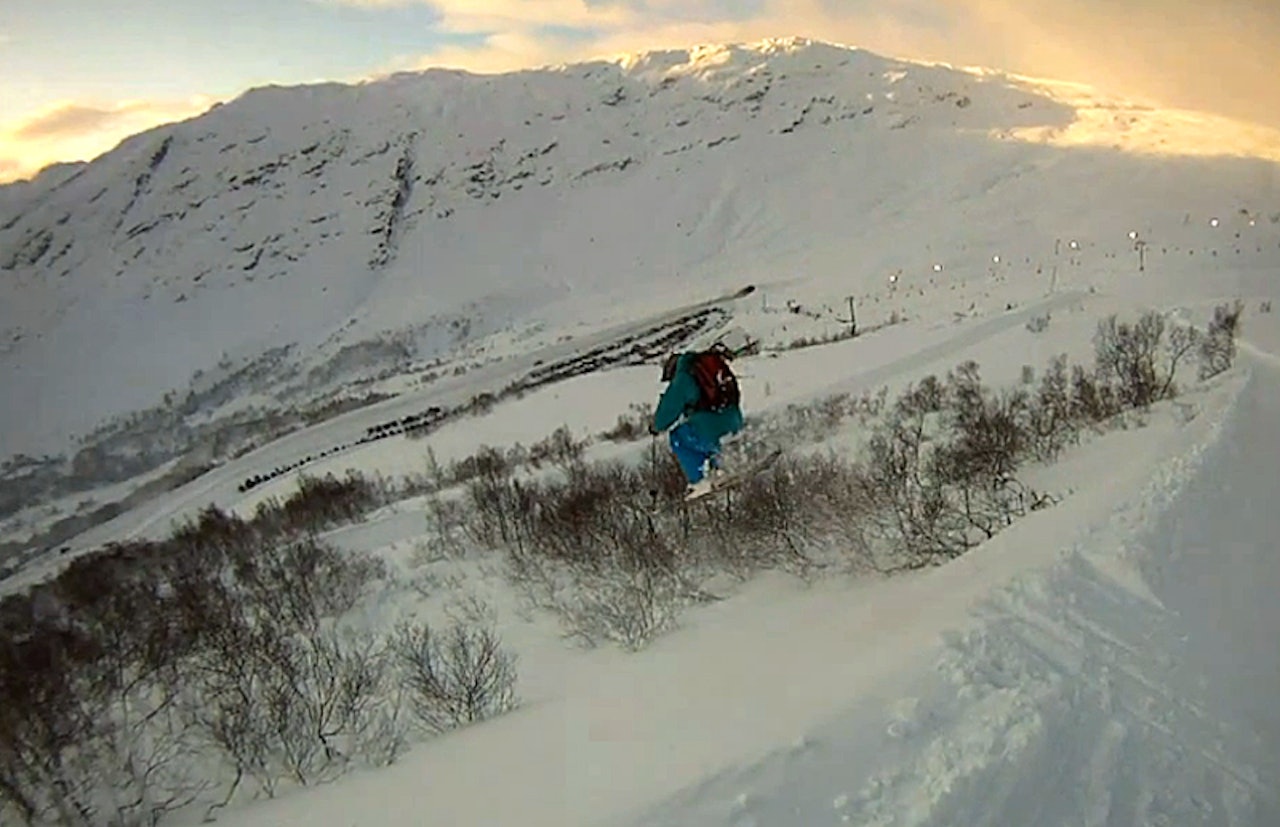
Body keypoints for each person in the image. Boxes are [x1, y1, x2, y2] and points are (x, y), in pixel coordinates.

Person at [648, 334, 748, 498]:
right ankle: (722, 468)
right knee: (705, 436)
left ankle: (699, 482)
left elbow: (667, 412)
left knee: (678, 437)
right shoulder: (714, 368)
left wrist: (655, 427)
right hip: (735, 424)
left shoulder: (684, 377)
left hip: (711, 431)